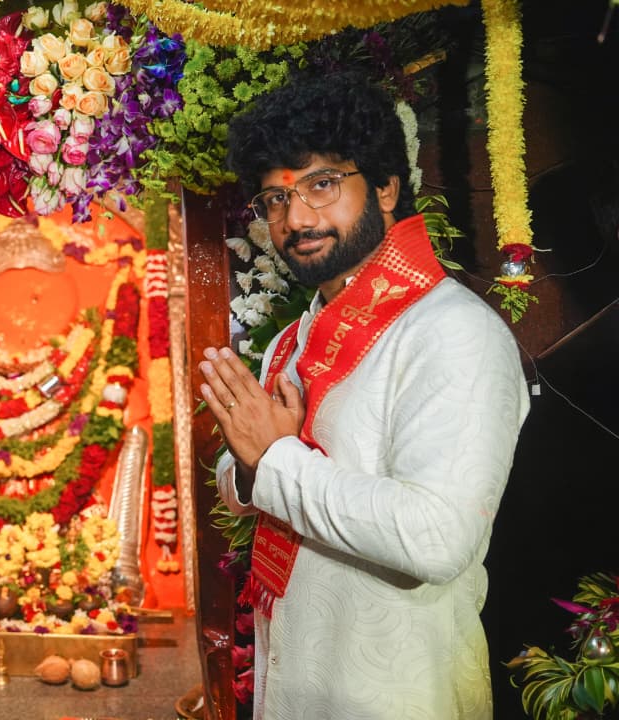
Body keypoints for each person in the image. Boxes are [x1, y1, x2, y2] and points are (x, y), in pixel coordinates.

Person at [199, 72, 529, 719]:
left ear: (385, 187)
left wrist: (275, 458)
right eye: (275, 198)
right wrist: (255, 461)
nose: (296, 218)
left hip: (398, 695)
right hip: (292, 684)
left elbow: (437, 538)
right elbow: (254, 471)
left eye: (322, 184)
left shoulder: (452, 332)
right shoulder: (294, 338)